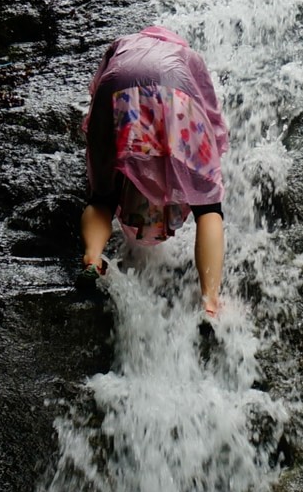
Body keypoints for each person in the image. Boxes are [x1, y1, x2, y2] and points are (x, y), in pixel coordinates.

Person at [79, 26, 229, 322]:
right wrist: (210, 157)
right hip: (176, 95)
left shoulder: (121, 45)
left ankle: (93, 258)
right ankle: (211, 301)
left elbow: (95, 90)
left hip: (114, 92)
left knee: (102, 199)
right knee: (208, 207)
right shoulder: (187, 55)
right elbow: (210, 113)